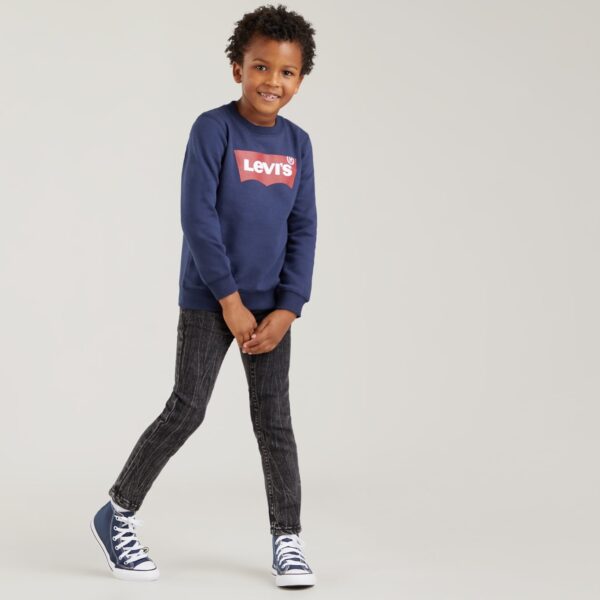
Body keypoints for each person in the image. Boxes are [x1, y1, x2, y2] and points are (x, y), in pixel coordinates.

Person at [89, 4, 318, 588]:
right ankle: (116, 513)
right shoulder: (212, 129)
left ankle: (287, 539)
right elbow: (198, 217)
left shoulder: (299, 144)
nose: (272, 81)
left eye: (286, 72)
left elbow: (303, 228)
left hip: (272, 309)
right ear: (237, 67)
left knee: (275, 422)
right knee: (187, 408)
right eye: (260, 66)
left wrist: (288, 307)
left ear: (300, 79)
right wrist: (230, 301)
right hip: (210, 299)